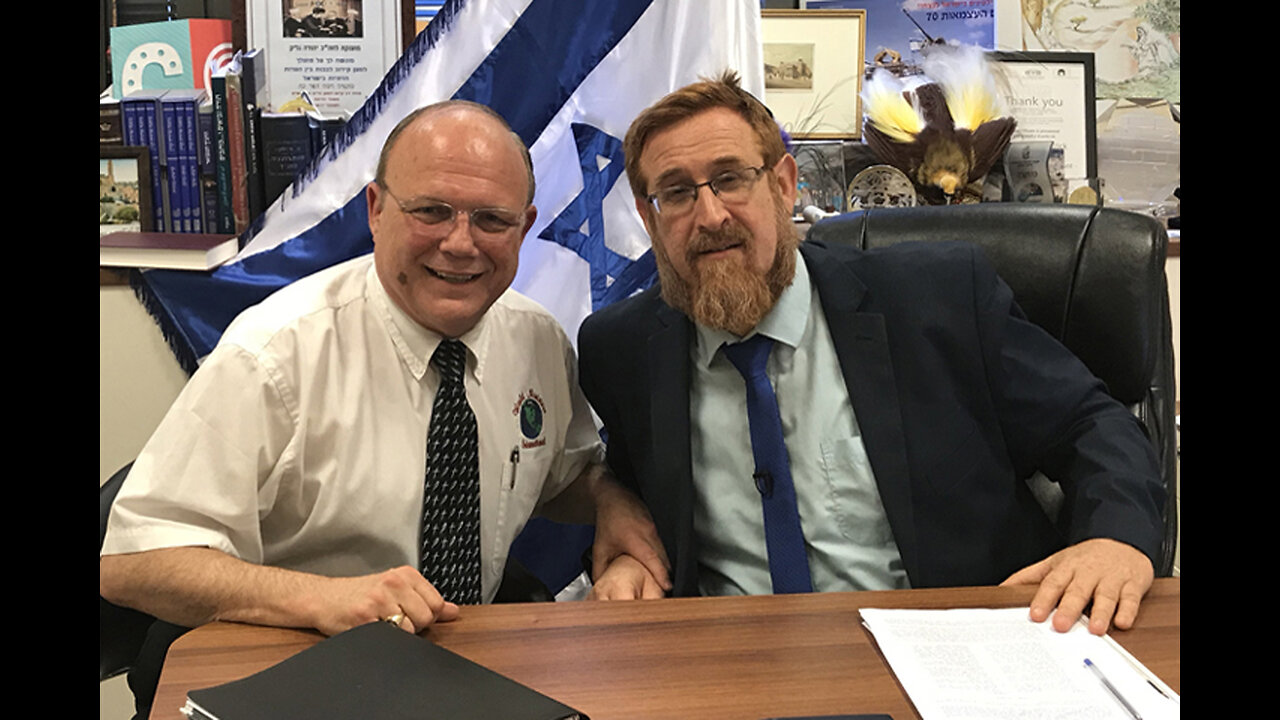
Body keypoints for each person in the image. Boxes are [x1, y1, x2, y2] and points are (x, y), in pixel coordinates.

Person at [578, 72, 1165, 636]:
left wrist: (1114, 539)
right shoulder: (621, 350)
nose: (709, 216)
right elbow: (632, 485)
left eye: (731, 178)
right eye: (676, 193)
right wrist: (626, 544)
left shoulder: (938, 298)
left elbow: (1092, 424)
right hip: (733, 663)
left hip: (949, 648)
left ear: (783, 185)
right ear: (647, 217)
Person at [101, 101, 669, 643]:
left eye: (492, 220)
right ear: (376, 209)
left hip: (472, 660)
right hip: (298, 660)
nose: (460, 243)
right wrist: (320, 599)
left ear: (524, 229)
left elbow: (564, 475)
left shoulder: (537, 340)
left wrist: (609, 502)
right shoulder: (277, 353)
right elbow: (134, 561)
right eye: (431, 211)